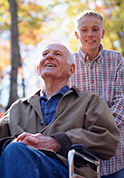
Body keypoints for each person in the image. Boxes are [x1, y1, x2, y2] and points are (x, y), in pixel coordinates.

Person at [0, 42, 120, 178]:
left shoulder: (90, 101)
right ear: (38, 69)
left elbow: (107, 140)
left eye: (57, 54)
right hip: (16, 164)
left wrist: (59, 142)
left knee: (16, 151)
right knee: (15, 150)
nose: (49, 56)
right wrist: (10, 144)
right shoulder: (17, 107)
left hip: (67, 171)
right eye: (45, 54)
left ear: (71, 69)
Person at [68, 10, 124, 178]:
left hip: (117, 153)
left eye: (95, 29)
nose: (90, 34)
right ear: (77, 34)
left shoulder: (116, 60)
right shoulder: (68, 63)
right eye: (84, 30)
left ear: (103, 33)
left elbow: (122, 100)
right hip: (81, 154)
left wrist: (100, 131)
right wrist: (85, 134)